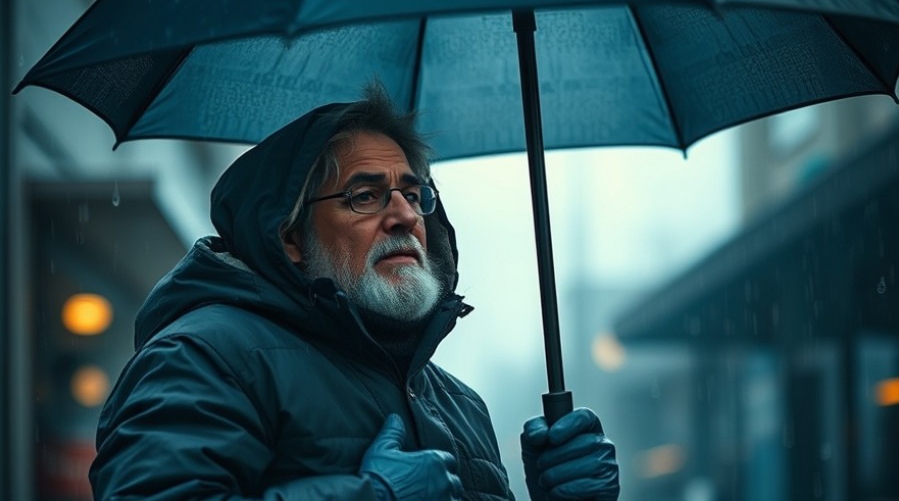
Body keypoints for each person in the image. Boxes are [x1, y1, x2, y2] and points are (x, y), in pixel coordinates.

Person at [89, 82, 620, 500]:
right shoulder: (207, 357)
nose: (405, 215)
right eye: (365, 196)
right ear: (290, 236)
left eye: (414, 194)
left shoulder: (458, 402)